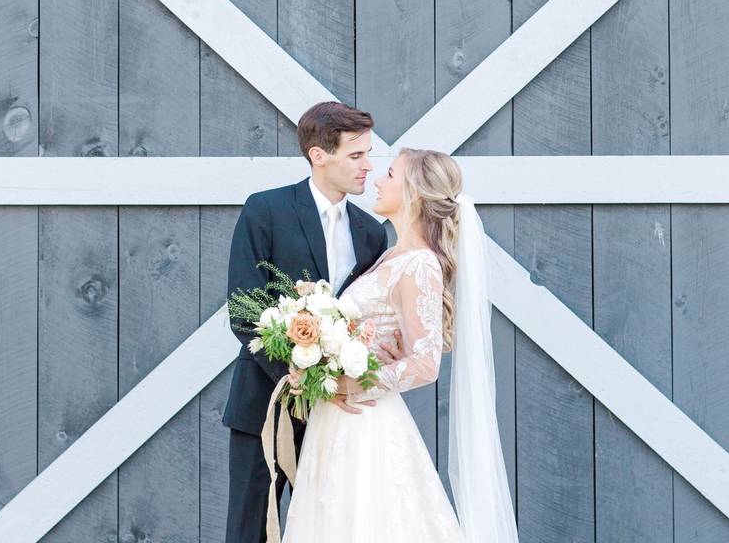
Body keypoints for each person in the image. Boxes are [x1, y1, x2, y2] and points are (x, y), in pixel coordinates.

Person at [280, 148, 519, 542]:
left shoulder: (419, 264)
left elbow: (425, 363)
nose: (376, 179)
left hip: (366, 419)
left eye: (389, 174)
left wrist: (353, 383)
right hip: (339, 418)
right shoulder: (392, 254)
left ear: (413, 193)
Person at [222, 101, 400, 543]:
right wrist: (301, 376)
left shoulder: (371, 232)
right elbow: (245, 311)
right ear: (319, 155)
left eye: (368, 154)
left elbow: (369, 319)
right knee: (249, 532)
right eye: (356, 155)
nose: (367, 167)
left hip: (340, 415)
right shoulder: (265, 210)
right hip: (264, 403)